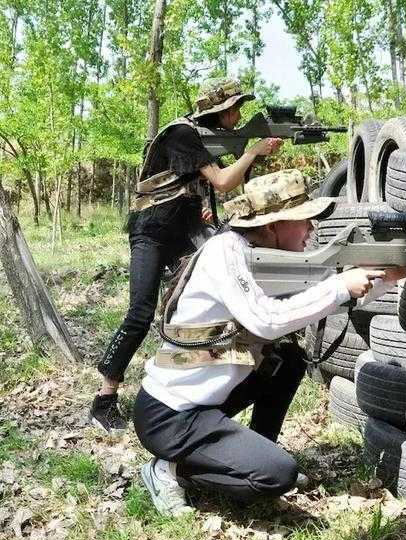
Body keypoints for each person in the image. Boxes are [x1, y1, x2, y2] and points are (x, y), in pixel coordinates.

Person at [132, 169, 406, 516]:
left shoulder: (264, 254)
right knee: (278, 475)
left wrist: (388, 276)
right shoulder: (225, 252)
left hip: (207, 405)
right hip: (169, 415)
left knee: (288, 359)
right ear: (271, 225)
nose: (311, 230)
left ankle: (255, 451)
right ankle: (169, 468)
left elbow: (327, 293)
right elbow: (267, 320)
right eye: (303, 220)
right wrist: (340, 284)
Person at [90, 78, 284, 433]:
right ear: (220, 111)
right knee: (140, 313)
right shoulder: (182, 133)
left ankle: (190, 385)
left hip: (183, 235)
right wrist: (252, 151)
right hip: (152, 231)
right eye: (234, 108)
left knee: (192, 309)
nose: (238, 114)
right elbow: (224, 181)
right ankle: (104, 399)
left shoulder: (204, 138)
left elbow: (227, 186)